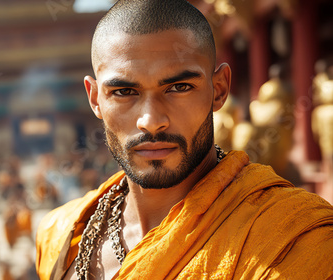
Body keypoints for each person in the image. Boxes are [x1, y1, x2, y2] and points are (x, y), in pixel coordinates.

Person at [35, 1, 333, 279]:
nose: (151, 120)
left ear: (218, 90)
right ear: (95, 99)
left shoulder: (296, 239)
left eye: (179, 87)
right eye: (124, 92)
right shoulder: (60, 232)